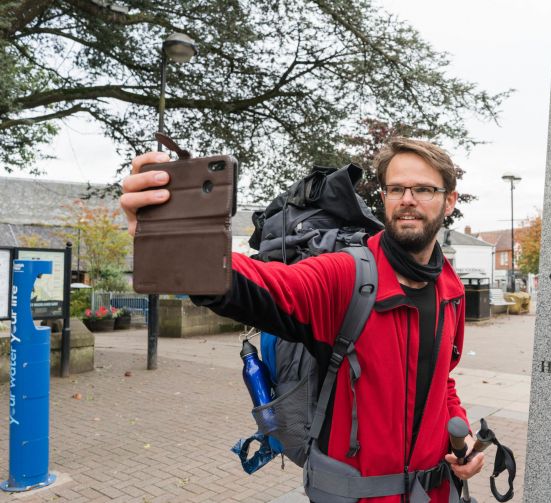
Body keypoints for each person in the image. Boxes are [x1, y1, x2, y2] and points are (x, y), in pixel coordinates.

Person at [120, 137, 484, 502]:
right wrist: (176, 242)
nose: (407, 199)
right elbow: (262, 285)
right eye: (396, 188)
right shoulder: (347, 276)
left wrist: (462, 434)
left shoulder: (449, 290)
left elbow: (442, 380)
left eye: (423, 189)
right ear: (385, 198)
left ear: (449, 200)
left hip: (436, 493)